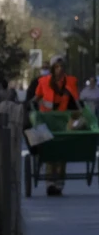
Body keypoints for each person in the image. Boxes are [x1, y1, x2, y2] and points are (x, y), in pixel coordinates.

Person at [33, 55, 81, 196]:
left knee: (61, 154)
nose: (60, 69)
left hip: (63, 122)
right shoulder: (43, 82)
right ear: (53, 68)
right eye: (57, 67)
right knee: (49, 154)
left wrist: (79, 114)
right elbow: (36, 98)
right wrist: (32, 108)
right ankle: (50, 183)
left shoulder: (70, 82)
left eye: (62, 66)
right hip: (46, 121)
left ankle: (59, 184)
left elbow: (76, 102)